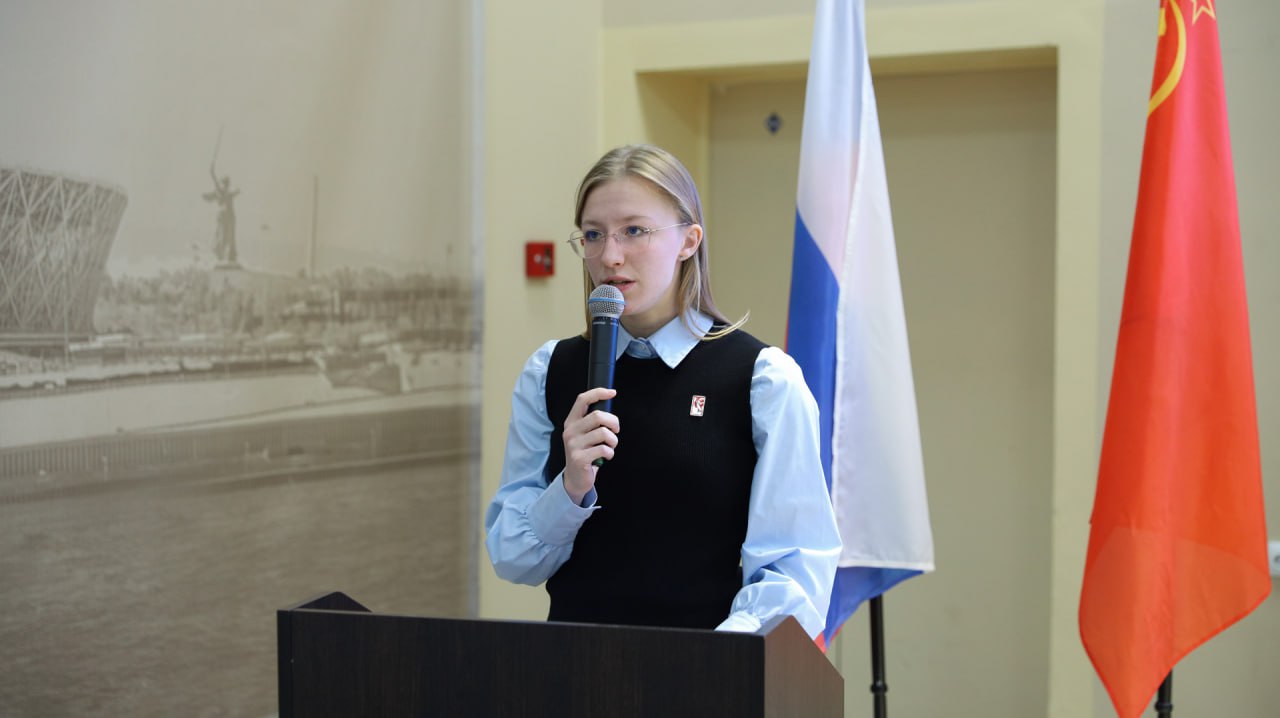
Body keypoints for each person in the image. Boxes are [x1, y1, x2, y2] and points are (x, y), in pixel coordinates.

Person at [485, 144, 840, 639]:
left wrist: (710, 662)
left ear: (688, 241)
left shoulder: (763, 380)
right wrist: (569, 488)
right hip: (572, 666)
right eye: (593, 235)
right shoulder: (550, 371)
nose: (610, 256)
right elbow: (512, 557)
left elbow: (794, 573)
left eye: (634, 231)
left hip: (709, 669)